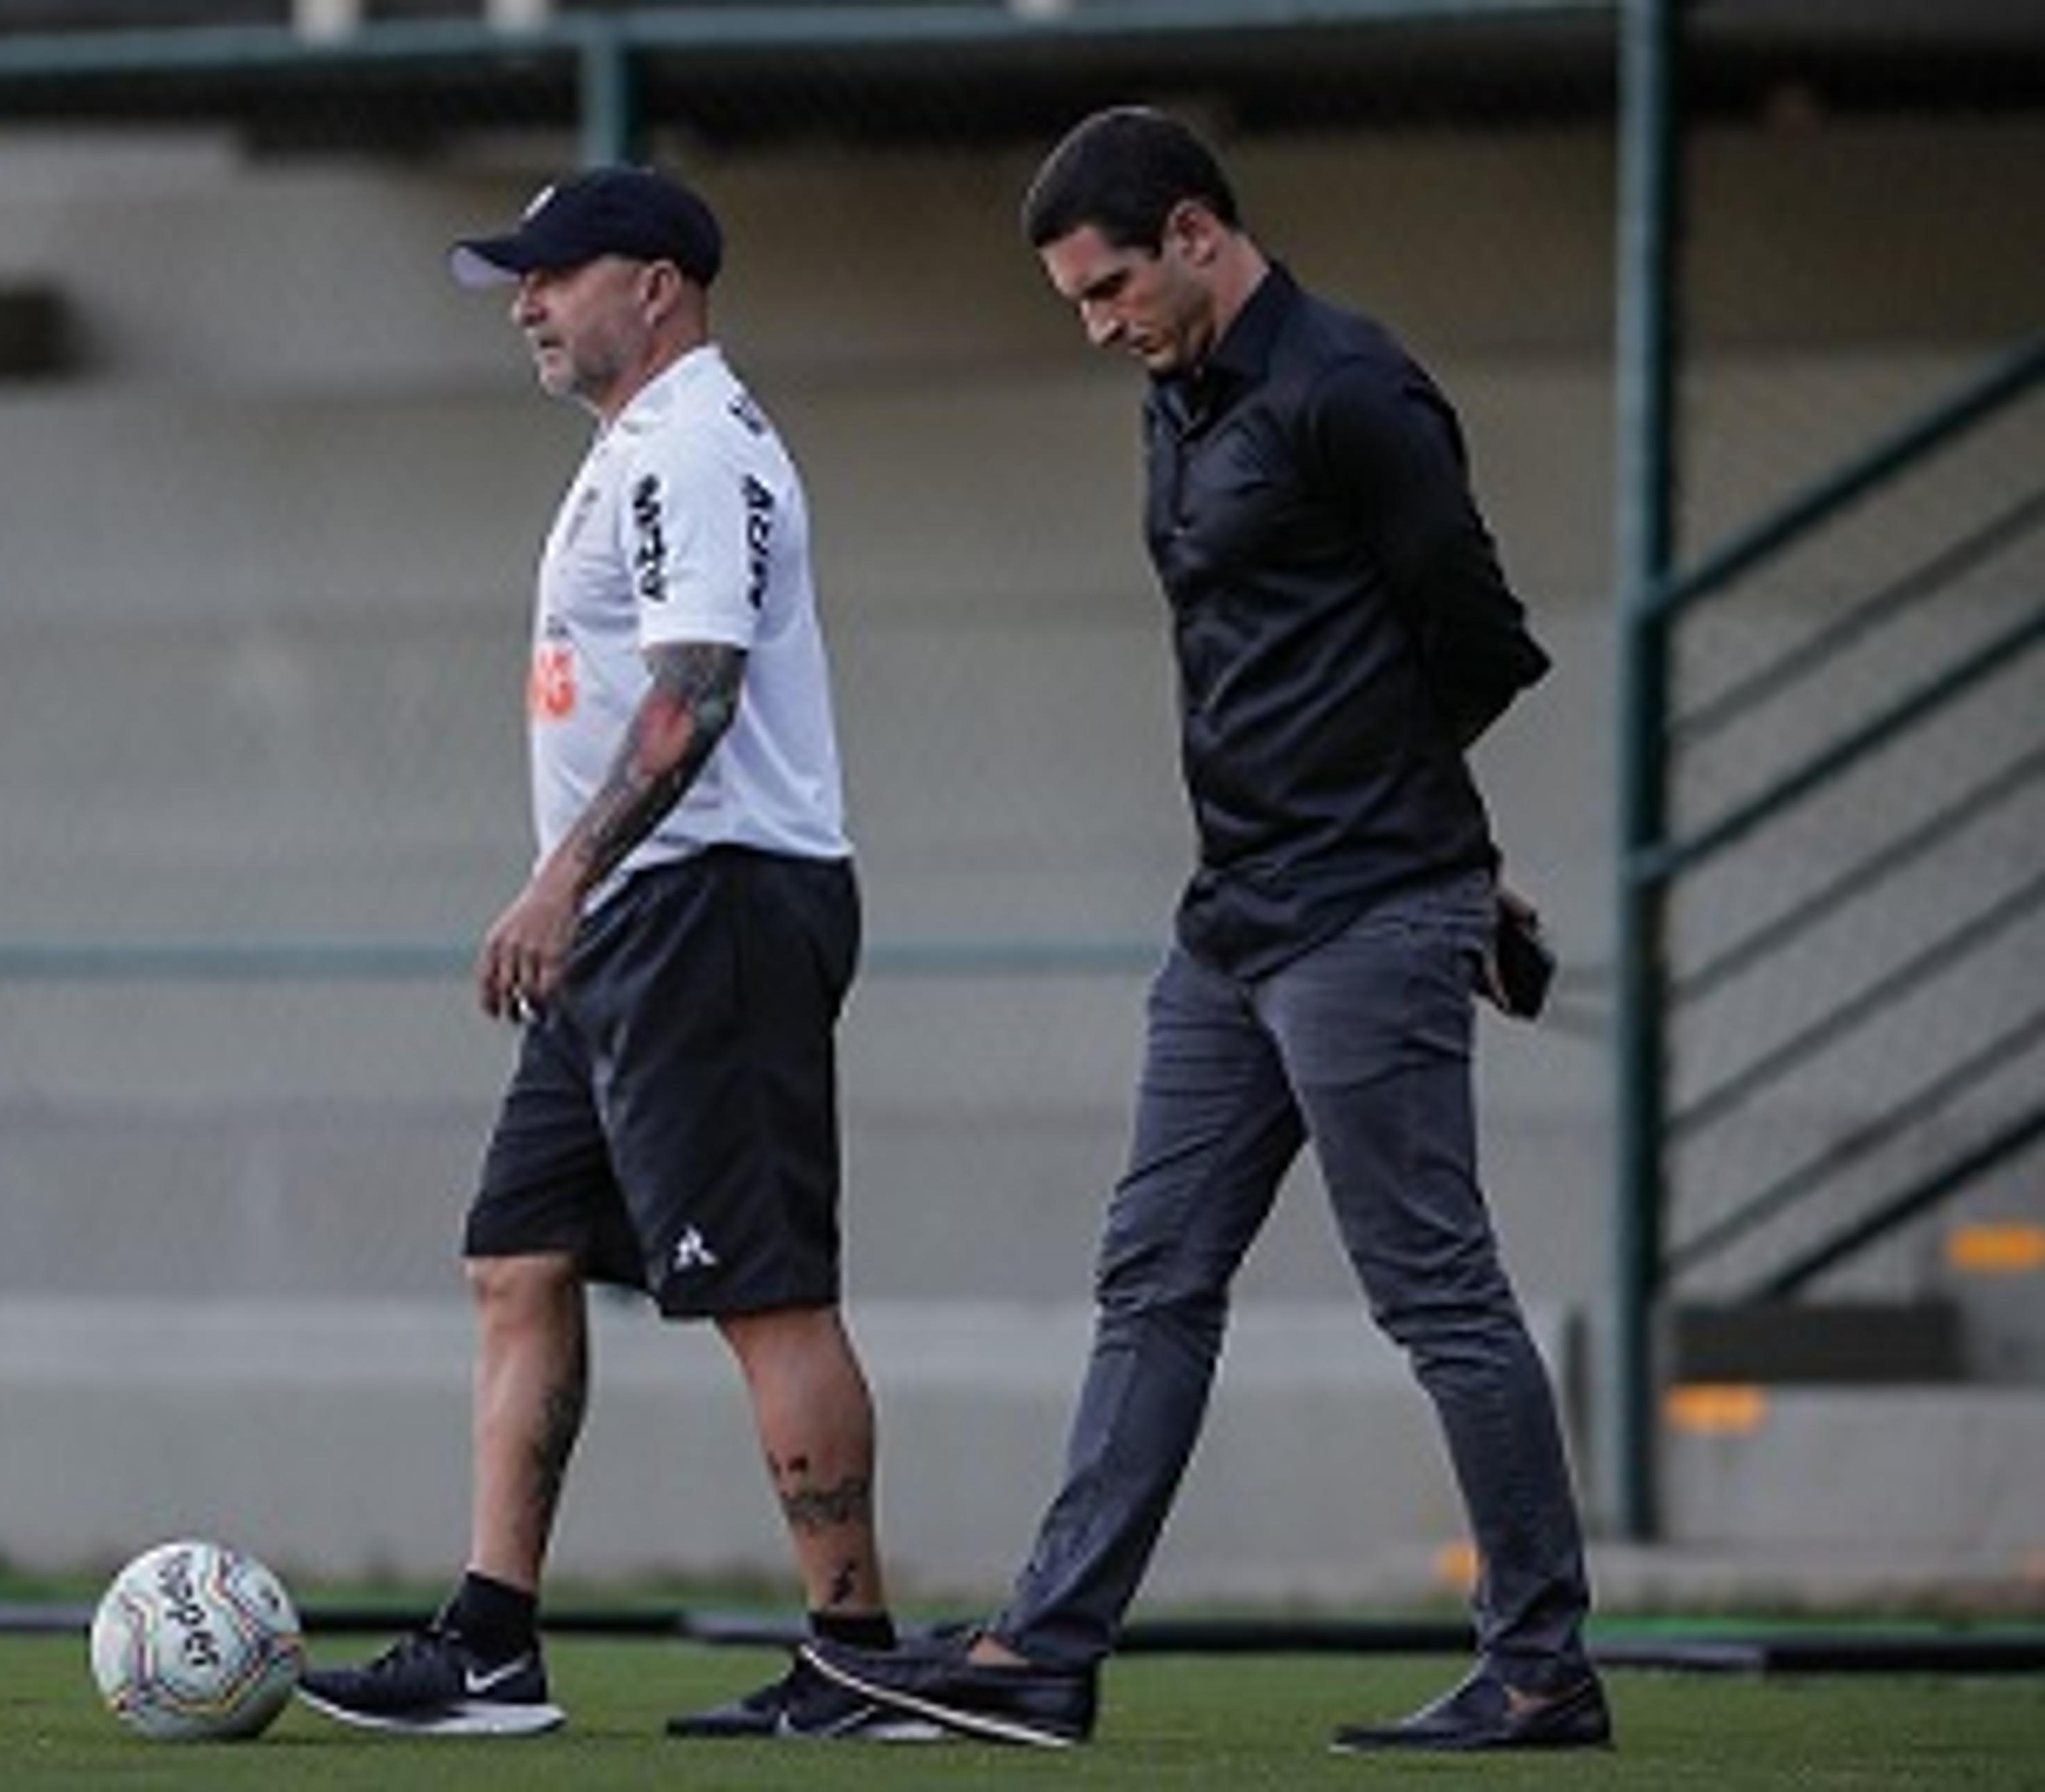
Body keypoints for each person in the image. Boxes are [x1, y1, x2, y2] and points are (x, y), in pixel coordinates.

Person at [801, 106, 1610, 1753]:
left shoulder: (1352, 391)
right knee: (1152, 1276)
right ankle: (1048, 1652)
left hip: (1363, 913)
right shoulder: (1178, 398)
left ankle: (1541, 1668)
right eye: (1078, 303)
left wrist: (1429, 855)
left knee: (1433, 1289)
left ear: (1192, 231)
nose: (1097, 325)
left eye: (1110, 288)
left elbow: (1479, 642)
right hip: (1230, 922)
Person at [295, 166, 929, 1743]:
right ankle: (493, 1642)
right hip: (636, 918)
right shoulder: (642, 446)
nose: (525, 300)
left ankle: (859, 1657)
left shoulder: (693, 443)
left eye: (553, 273)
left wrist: (561, 878)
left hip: (702, 903)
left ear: (656, 285)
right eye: (519, 275)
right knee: (516, 1257)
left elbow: (696, 688)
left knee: (764, 1291)